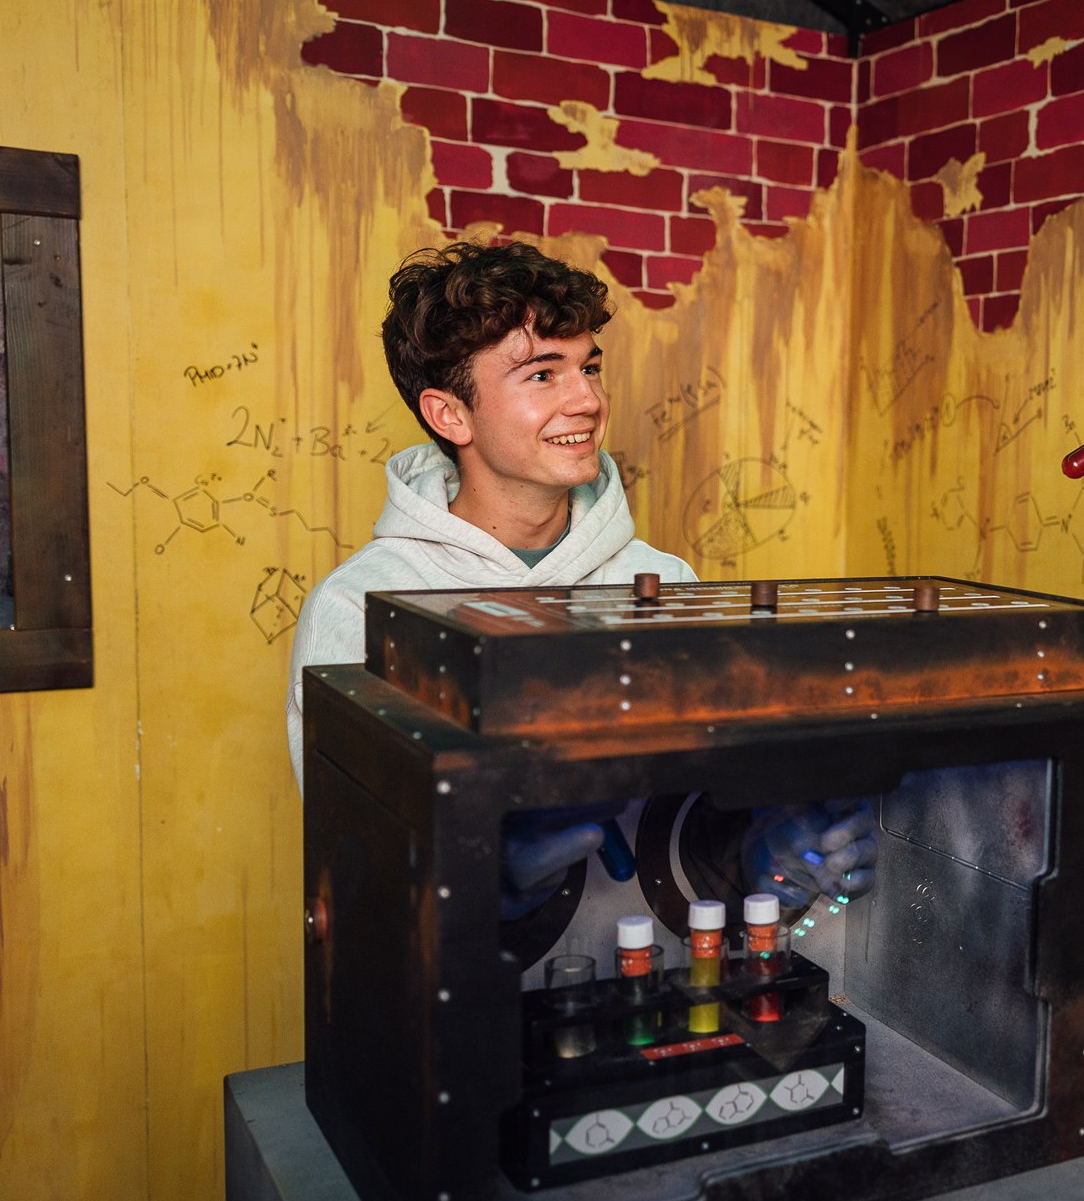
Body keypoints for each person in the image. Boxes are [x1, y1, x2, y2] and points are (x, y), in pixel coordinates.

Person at [287, 241, 874, 926]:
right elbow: (362, 870)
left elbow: (695, 818)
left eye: (589, 367)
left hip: (655, 976)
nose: (588, 400)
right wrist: (479, 885)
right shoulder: (357, 607)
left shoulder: (664, 582)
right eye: (542, 374)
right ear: (450, 415)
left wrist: (766, 862)